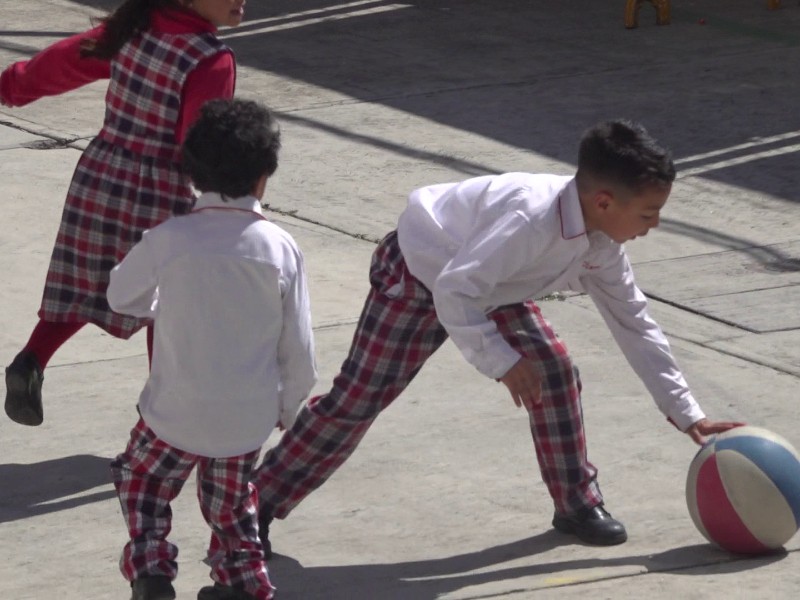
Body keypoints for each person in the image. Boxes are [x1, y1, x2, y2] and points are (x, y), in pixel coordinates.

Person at [250, 119, 744, 556]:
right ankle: (255, 505)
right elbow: (453, 291)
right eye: (649, 213)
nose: (654, 225)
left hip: (489, 283)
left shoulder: (602, 242)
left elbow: (635, 323)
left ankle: (576, 503)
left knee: (553, 373)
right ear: (603, 201)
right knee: (358, 399)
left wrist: (686, 411)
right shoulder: (530, 220)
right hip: (421, 274)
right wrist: (502, 361)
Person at [107, 98, 317, 600]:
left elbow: (120, 296)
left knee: (141, 479)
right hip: (246, 416)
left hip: (174, 409)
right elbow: (300, 348)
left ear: (193, 174)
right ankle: (242, 583)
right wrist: (287, 408)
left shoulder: (169, 239)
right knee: (231, 503)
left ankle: (152, 570)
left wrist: (159, 302)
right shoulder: (280, 248)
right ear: (264, 177)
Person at [1, 0, 246, 427]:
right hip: (161, 194)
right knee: (168, 302)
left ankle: (30, 360)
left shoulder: (135, 28)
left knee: (84, 281)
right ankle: (161, 414)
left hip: (101, 176)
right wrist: (225, 207)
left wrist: (10, 86)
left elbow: (66, 61)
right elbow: (201, 145)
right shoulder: (211, 59)